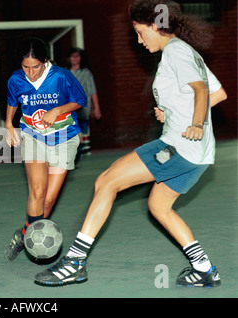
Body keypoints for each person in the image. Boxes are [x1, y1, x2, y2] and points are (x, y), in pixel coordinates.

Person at [34, 0, 227, 287]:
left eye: (139, 31)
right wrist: (175, 110)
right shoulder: (187, 52)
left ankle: (75, 262)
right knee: (159, 207)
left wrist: (196, 123)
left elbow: (200, 89)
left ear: (154, 26)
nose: (137, 39)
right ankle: (203, 269)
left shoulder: (175, 51)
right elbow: (219, 93)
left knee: (106, 181)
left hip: (178, 146)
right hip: (199, 155)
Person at [4, 38, 88, 262]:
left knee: (48, 202)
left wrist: (58, 110)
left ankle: (25, 235)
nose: (30, 72)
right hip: (33, 136)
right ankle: (34, 239)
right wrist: (8, 124)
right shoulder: (16, 79)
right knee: (37, 192)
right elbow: (13, 101)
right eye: (26, 67)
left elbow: (80, 100)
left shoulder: (60, 76)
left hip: (64, 138)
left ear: (46, 61)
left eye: (36, 67)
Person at [68, 47, 102, 157]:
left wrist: (96, 108)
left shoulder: (86, 73)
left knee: (83, 128)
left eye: (77, 56)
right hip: (69, 106)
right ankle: (76, 151)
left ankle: (85, 151)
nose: (75, 59)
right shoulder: (66, 72)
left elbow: (92, 90)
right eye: (73, 56)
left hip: (83, 106)